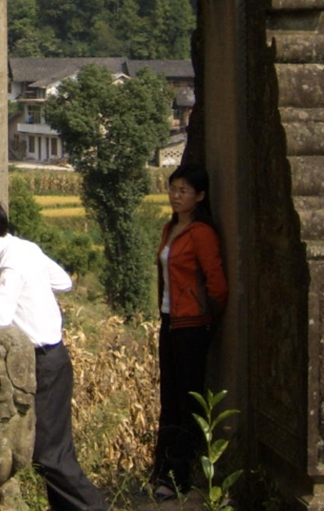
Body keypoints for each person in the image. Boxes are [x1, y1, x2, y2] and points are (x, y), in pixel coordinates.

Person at [0, 196, 107, 511]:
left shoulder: (11, 260)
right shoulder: (25, 249)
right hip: (49, 358)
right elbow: (62, 282)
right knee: (49, 451)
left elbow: (1, 315)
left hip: (44, 362)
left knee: (49, 452)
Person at [152, 164, 227, 499]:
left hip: (192, 325)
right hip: (170, 320)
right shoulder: (170, 228)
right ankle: (161, 473)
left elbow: (217, 283)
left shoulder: (201, 233)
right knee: (168, 397)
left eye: (183, 191)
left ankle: (179, 476)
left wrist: (207, 318)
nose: (176, 196)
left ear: (199, 196)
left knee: (186, 402)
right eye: (173, 189)